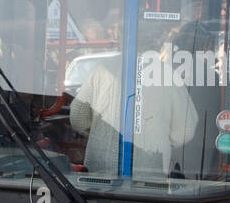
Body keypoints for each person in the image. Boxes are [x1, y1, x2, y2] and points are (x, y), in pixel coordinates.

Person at [70, 23, 198, 177]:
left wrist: (102, 133)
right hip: (150, 170)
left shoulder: (103, 69)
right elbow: (185, 130)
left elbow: (77, 118)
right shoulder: (167, 74)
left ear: (124, 39)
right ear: (157, 43)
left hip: (101, 170)